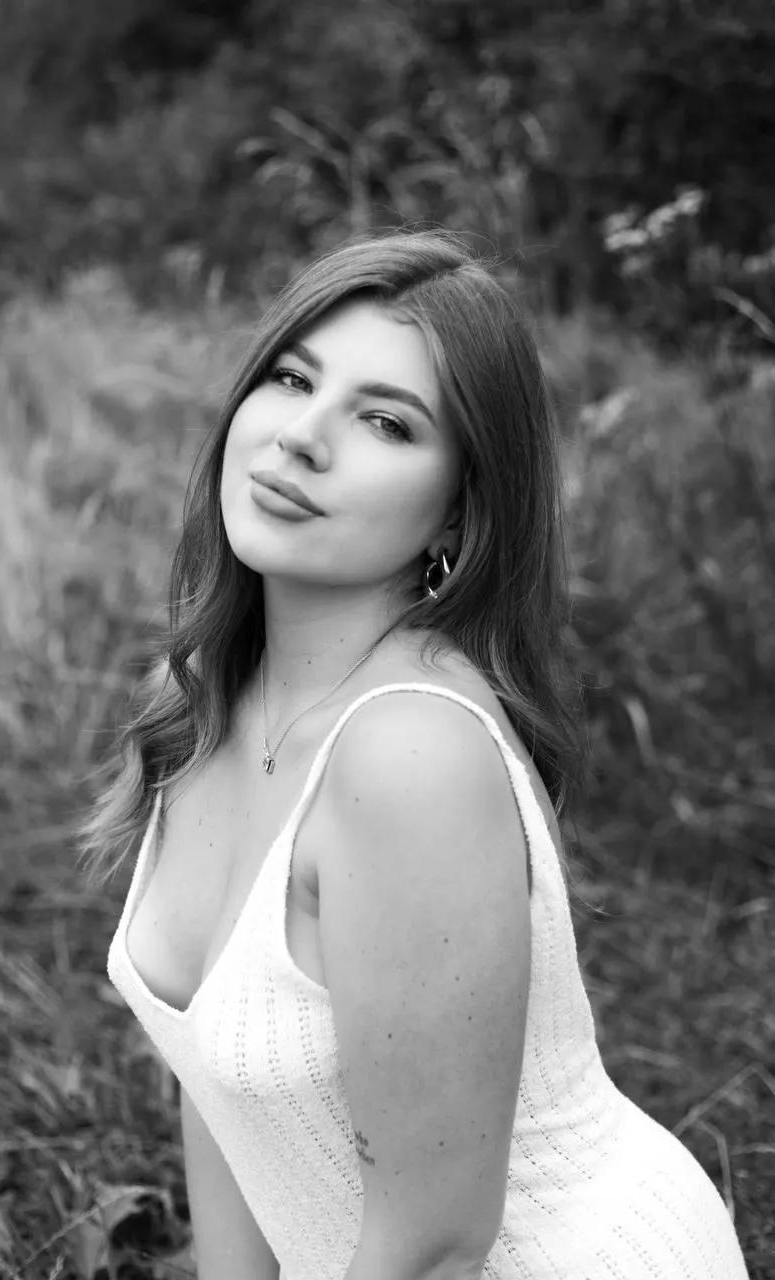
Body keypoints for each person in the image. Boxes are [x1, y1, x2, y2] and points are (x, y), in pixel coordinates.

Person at [79, 230, 749, 1280]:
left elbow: (435, 1245)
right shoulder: (202, 697)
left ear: (460, 511)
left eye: (386, 420)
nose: (301, 436)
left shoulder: (408, 753)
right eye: (291, 377)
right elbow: (215, 1081)